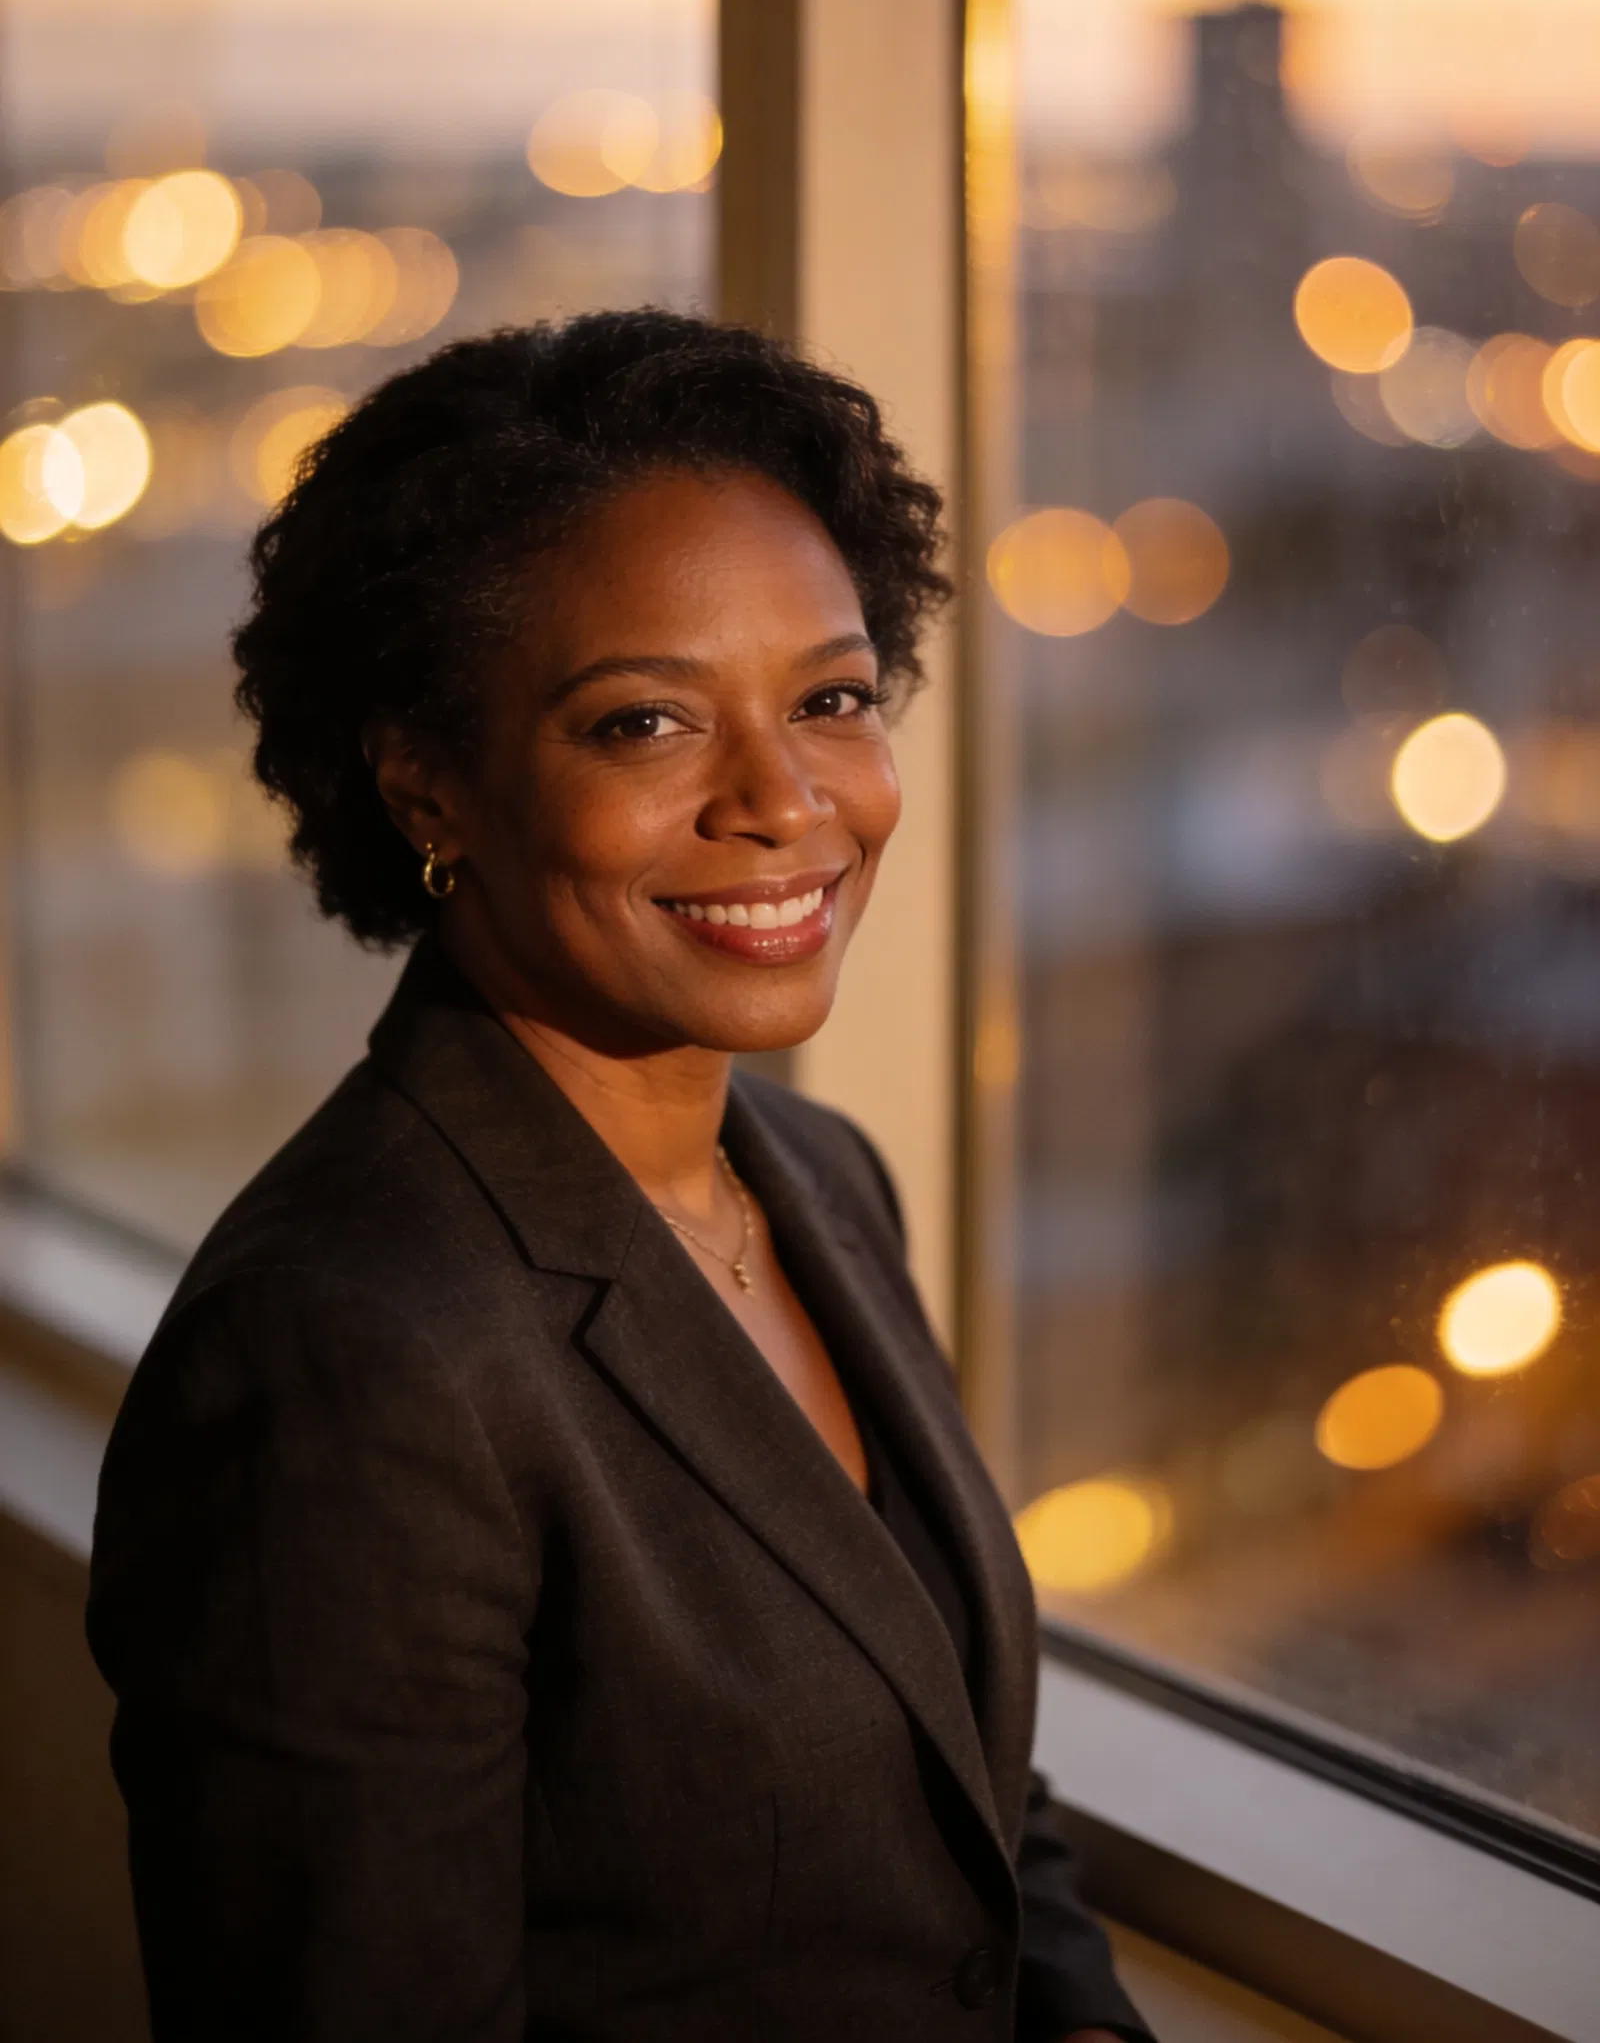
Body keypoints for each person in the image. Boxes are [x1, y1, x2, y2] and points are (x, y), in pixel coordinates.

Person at [88, 309, 1152, 2043]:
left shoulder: (819, 1182)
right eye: (647, 723)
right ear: (428, 781)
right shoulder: (346, 1356)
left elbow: (959, 1772)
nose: (785, 801)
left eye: (830, 698)